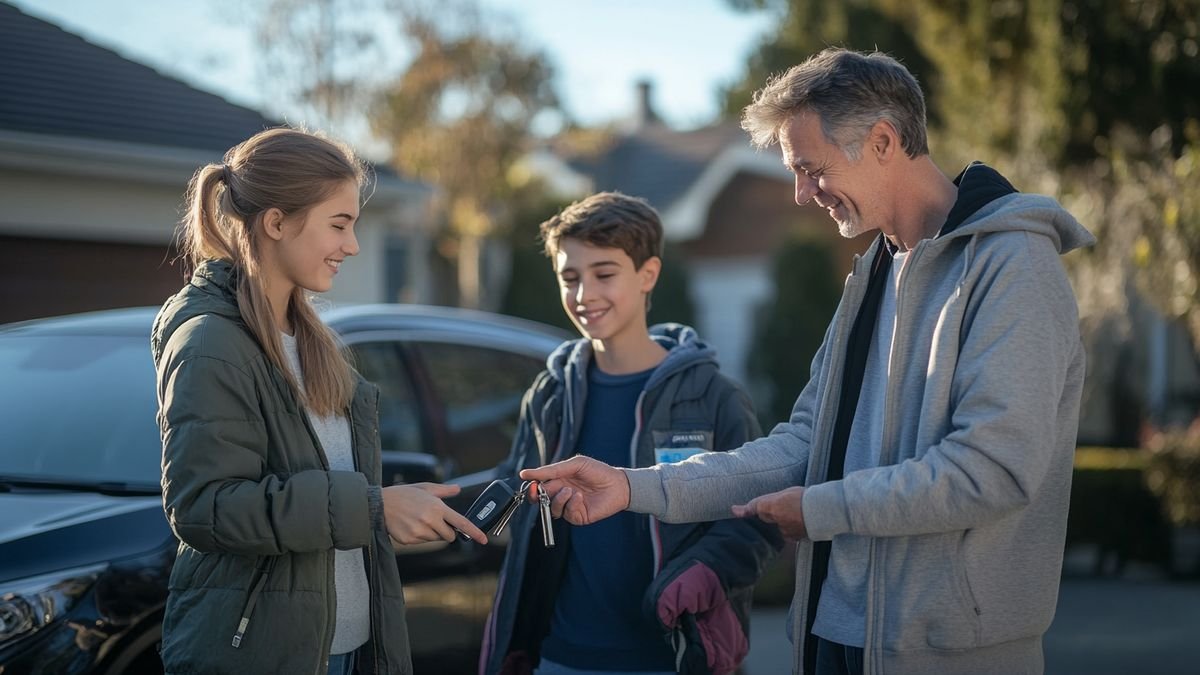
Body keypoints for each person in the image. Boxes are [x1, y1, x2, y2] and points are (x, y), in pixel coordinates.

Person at [523, 48, 1095, 675]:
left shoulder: (1013, 268)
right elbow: (801, 447)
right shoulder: (872, 278)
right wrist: (633, 487)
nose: (800, 194)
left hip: (949, 652)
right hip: (832, 635)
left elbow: (993, 471)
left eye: (811, 168)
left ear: (882, 141)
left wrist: (821, 509)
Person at [151, 127, 487, 675]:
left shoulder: (314, 340)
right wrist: (374, 506)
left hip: (347, 650)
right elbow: (207, 507)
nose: (351, 246)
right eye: (340, 224)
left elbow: (325, 489)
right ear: (277, 222)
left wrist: (388, 502)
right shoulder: (211, 342)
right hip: (266, 656)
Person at [479, 192, 782, 675]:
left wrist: (704, 572)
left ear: (648, 275)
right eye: (570, 278)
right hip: (560, 656)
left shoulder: (712, 397)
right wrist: (442, 502)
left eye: (604, 274)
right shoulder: (549, 394)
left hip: (675, 658)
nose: (584, 296)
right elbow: (516, 489)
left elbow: (758, 516)